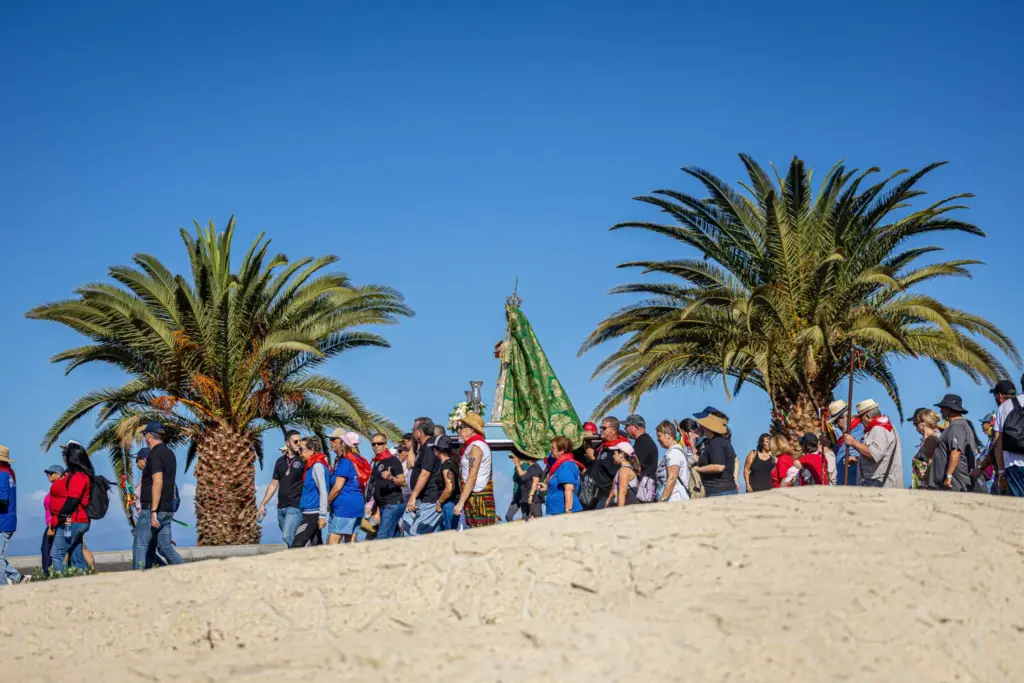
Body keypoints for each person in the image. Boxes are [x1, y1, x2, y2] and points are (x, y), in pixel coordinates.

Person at [131, 423, 185, 569]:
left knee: (139, 546)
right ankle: (187, 572)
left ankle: (137, 579)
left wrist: (153, 510)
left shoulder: (154, 454)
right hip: (167, 509)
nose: (144, 438)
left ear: (148, 436)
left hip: (153, 509)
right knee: (165, 547)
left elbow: (158, 482)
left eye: (144, 435)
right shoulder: (170, 453)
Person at [48, 441, 93, 573]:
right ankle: (81, 579)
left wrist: (62, 515)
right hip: (72, 520)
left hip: (72, 521)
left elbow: (74, 497)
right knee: (75, 554)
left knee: (57, 553)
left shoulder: (79, 476)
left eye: (65, 453)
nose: (63, 456)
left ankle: (61, 581)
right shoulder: (71, 474)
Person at [842, 399, 904, 488]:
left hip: (882, 487)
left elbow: (873, 453)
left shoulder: (878, 429)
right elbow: (882, 456)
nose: (861, 422)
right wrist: (859, 459)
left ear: (868, 416)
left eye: (861, 419)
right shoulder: (887, 426)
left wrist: (853, 442)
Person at [258, 430, 305, 547]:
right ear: (287, 443)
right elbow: (274, 484)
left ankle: (301, 554)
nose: (299, 443)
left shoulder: (303, 460)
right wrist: (263, 503)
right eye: (295, 441)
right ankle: (302, 554)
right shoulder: (280, 462)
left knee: (287, 535)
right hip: (281, 507)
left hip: (296, 505)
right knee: (291, 537)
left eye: (300, 441)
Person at [453, 412, 497, 527]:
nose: (459, 431)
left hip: (478, 498)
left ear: (471, 429)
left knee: (479, 533)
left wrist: (460, 502)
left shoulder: (476, 446)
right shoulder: (471, 446)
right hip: (475, 496)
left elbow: (472, 475)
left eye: (462, 427)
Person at [928, 395, 976, 491]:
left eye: (943, 408)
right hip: (952, 483)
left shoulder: (957, 426)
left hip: (955, 483)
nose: (941, 410)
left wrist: (949, 476)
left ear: (950, 408)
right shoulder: (957, 425)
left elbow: (956, 452)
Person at [404, 418, 443, 536]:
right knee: (408, 529)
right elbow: (410, 464)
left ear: (420, 432)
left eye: (413, 430)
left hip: (430, 499)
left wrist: (412, 497)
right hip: (421, 499)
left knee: (415, 533)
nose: (412, 433)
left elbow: (425, 473)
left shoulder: (430, 447)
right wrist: (414, 443)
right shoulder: (423, 447)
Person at [325, 430, 365, 544]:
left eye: (333, 439)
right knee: (350, 542)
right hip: (356, 504)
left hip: (345, 508)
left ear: (342, 442)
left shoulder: (345, 461)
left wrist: (327, 502)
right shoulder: (358, 459)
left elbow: (338, 487)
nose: (330, 442)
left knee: (333, 542)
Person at [290, 437, 329, 548]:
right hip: (308, 512)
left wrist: (322, 515)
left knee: (296, 545)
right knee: (316, 546)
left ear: (311, 450)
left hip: (312, 514)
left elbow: (323, 490)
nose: (299, 452)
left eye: (301, 449)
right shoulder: (310, 466)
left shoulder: (317, 466)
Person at [581, 417, 627, 510]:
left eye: (604, 428)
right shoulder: (603, 446)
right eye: (600, 427)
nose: (601, 430)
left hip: (606, 495)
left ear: (613, 431)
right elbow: (595, 460)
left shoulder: (618, 449)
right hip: (593, 495)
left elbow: (617, 475)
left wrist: (610, 496)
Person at [368, 435, 407, 540]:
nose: (376, 446)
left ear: (385, 445)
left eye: (379, 443)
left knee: (382, 537)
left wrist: (390, 477)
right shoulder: (377, 462)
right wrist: (375, 508)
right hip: (384, 505)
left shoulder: (392, 460)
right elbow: (377, 486)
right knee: (395, 538)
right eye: (373, 444)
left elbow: (403, 482)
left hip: (392, 504)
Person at [992, 376, 1024, 497]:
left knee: (1019, 504)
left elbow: (998, 442)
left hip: (1014, 465)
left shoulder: (1005, 406)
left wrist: (1001, 470)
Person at [0, 445, 27, 585]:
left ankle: (3, 586)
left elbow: (2, 500)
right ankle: (18, 578)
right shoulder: (9, 472)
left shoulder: (2, 474)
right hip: (7, 520)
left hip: (2, 522)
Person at [692, 414, 738, 496]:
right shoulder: (721, 442)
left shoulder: (716, 443)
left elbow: (718, 467)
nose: (702, 428)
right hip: (722, 490)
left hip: (719, 492)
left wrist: (698, 469)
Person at [623, 415, 658, 502]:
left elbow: (635, 465)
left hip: (643, 490)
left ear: (635, 428)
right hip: (645, 488)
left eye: (626, 426)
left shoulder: (642, 442)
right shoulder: (644, 441)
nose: (624, 429)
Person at [545, 436, 583, 514]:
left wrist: (567, 511)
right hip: (557, 510)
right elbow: (558, 486)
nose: (550, 450)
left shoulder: (566, 465)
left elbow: (569, 488)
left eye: (553, 448)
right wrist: (547, 487)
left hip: (564, 512)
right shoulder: (560, 465)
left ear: (561, 451)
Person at [39, 463, 64, 576]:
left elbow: (56, 508)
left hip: (55, 523)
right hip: (51, 523)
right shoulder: (54, 487)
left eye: (51, 473)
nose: (48, 475)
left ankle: (49, 574)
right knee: (46, 550)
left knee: (49, 550)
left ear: (59, 474)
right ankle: (48, 573)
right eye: (47, 473)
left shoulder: (59, 487)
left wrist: (51, 526)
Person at [654, 421, 689, 502]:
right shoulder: (674, 452)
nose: (658, 439)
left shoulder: (674, 453)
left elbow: (672, 478)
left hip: (675, 499)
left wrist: (662, 499)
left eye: (659, 436)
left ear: (669, 434)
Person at [434, 435, 461, 530]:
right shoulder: (452, 463)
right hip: (451, 503)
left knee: (451, 533)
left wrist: (439, 502)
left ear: (437, 450)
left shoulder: (446, 465)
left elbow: (450, 488)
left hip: (449, 504)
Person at [911, 409, 942, 489]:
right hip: (924, 483)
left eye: (916, 423)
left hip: (928, 485)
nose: (915, 427)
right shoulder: (930, 439)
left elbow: (931, 462)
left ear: (923, 423)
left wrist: (927, 482)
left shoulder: (932, 439)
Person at [606, 442, 641, 507]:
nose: (613, 456)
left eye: (615, 453)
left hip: (628, 506)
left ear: (621, 454)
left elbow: (622, 492)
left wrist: (620, 511)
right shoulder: (626, 469)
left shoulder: (624, 470)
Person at [513, 451, 545, 520]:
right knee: (526, 519)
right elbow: (522, 476)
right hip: (525, 499)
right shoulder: (530, 468)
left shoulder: (535, 467)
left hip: (533, 499)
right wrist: (517, 464)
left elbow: (535, 482)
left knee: (537, 519)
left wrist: (531, 495)